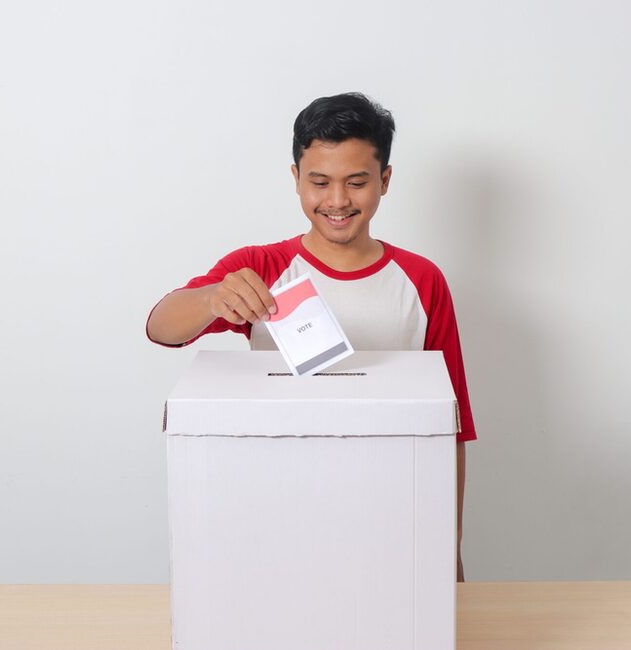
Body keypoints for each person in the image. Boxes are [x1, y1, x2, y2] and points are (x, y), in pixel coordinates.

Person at [146, 92, 476, 581]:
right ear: (295, 179)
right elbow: (161, 327)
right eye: (319, 182)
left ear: (385, 181)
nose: (337, 201)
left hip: (392, 506)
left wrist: (447, 545)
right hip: (278, 503)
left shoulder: (422, 280)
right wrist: (212, 298)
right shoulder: (262, 268)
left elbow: (452, 427)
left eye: (357, 182)